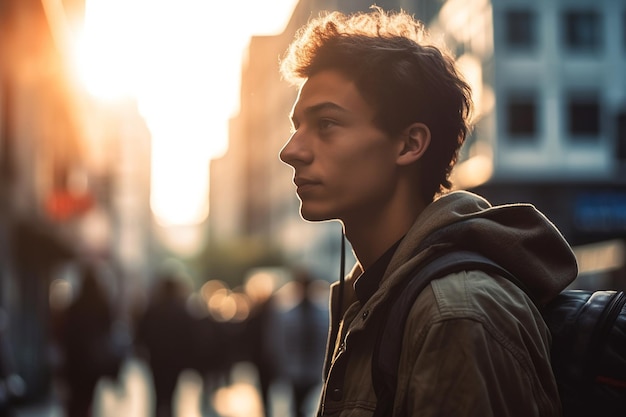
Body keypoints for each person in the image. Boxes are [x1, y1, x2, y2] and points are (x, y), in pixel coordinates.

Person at [278, 7, 578, 417]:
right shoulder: (379, 294)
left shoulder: (455, 315)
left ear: (409, 144)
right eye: (297, 126)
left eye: (327, 124)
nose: (291, 151)